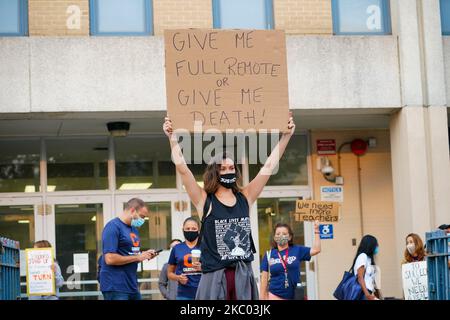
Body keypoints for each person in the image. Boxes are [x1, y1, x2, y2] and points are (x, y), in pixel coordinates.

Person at [163, 112, 296, 300]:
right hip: (215, 275)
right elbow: (183, 170)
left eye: (231, 168)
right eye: (222, 169)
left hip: (242, 274)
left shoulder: (245, 196)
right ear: (214, 173)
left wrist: (286, 136)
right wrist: (172, 138)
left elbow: (269, 166)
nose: (228, 171)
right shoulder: (204, 200)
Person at [99, 198, 158, 300]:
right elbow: (110, 258)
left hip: (131, 285)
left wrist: (144, 255)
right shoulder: (113, 227)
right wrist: (138, 257)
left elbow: (130, 254)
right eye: (142, 216)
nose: (143, 220)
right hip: (115, 286)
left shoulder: (133, 229)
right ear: (132, 210)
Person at [260, 222, 321, 300]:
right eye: (278, 234)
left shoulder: (297, 250)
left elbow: (317, 249)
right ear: (274, 237)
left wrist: (316, 230)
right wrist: (262, 297)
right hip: (275, 295)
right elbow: (264, 278)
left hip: (295, 295)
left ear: (290, 237)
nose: (281, 236)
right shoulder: (269, 254)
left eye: (284, 233)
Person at [167, 218, 202, 300]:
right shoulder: (176, 248)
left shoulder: (205, 247)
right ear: (183, 230)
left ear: (199, 230)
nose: (190, 231)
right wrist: (178, 278)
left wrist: (203, 267)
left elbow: (214, 268)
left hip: (203, 292)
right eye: (187, 229)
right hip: (183, 294)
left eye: (194, 229)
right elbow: (169, 274)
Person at [351, 235, 381, 300]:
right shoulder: (363, 256)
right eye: (376, 245)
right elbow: (360, 277)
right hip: (362, 294)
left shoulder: (369, 259)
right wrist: (367, 295)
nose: (377, 246)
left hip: (367, 293)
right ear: (370, 245)